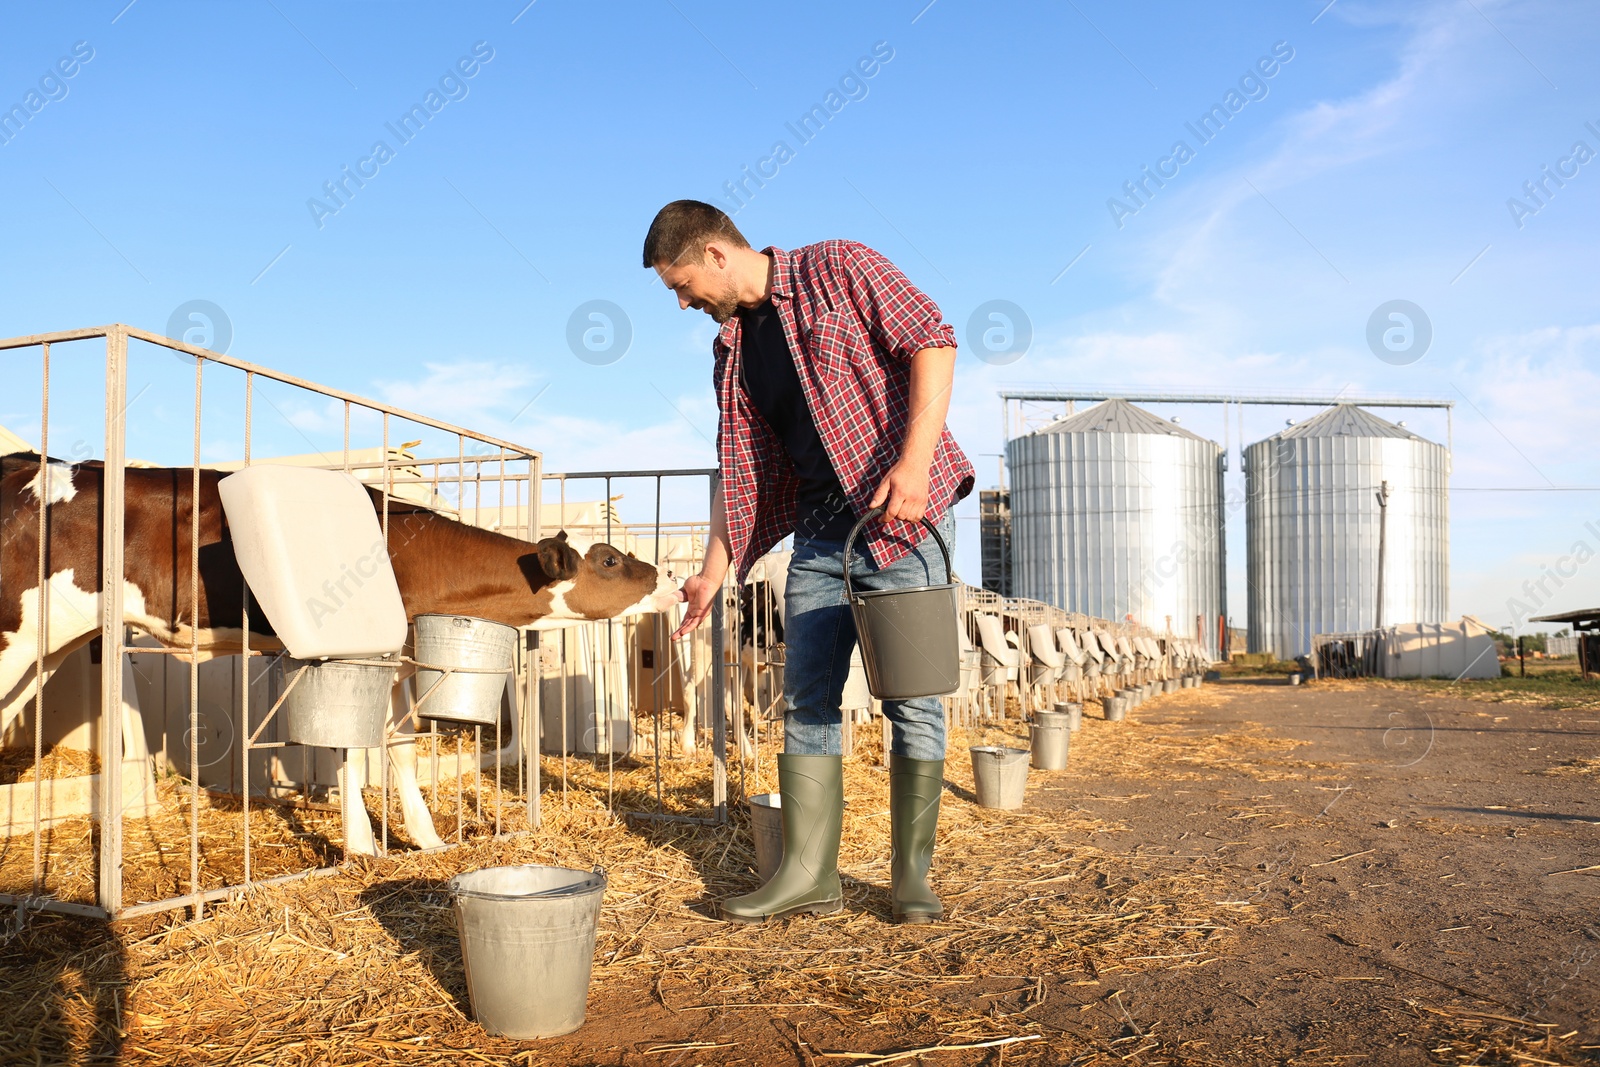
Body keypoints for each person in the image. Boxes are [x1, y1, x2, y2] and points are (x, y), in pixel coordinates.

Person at [643, 200, 974, 924]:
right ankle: (808, 871)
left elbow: (934, 340)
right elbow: (740, 468)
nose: (682, 301)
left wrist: (915, 466)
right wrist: (711, 568)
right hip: (821, 540)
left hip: (900, 522)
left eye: (681, 284)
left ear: (716, 255)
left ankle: (911, 877)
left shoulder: (838, 267)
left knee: (912, 697)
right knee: (807, 701)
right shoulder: (730, 352)